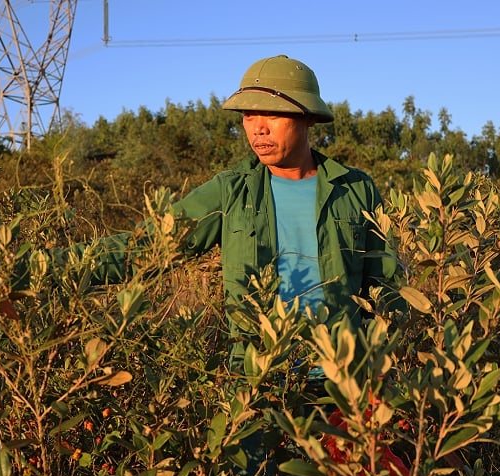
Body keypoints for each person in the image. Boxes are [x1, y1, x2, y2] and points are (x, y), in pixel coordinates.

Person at [65, 54, 401, 368]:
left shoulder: (355, 188)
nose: (258, 128)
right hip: (258, 378)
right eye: (248, 115)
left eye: (272, 114)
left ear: (307, 118)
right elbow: (148, 247)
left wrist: (383, 371)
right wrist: (39, 267)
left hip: (343, 382)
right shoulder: (231, 190)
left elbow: (383, 286)